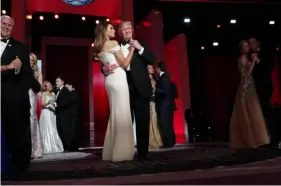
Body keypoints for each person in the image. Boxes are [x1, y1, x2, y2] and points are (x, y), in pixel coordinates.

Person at [100, 21, 155, 160]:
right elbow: (108, 61)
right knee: (125, 120)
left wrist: (140, 48)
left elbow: (152, 59)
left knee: (142, 121)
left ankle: (143, 152)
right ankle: (125, 150)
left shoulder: (140, 43)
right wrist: (104, 69)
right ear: (120, 33)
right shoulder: (115, 44)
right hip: (124, 88)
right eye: (123, 29)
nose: (126, 31)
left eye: (128, 28)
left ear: (132, 30)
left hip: (141, 87)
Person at [1, 15, 41, 172]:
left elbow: (26, 75)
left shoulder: (20, 47)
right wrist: (8, 67)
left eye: (10, 25)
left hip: (11, 97)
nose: (6, 27)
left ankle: (19, 164)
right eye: (4, 24)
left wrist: (24, 96)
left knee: (16, 132)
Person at [94, 21, 135, 161]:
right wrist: (132, 50)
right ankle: (121, 152)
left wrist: (107, 68)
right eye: (111, 28)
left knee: (115, 115)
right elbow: (124, 63)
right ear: (105, 31)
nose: (113, 30)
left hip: (109, 81)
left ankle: (110, 151)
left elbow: (105, 67)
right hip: (118, 78)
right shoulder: (112, 44)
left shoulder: (100, 47)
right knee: (122, 114)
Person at [229, 40, 270, 149]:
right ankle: (249, 140)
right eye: (244, 46)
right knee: (248, 111)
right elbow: (247, 74)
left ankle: (257, 138)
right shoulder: (242, 59)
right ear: (241, 48)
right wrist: (253, 62)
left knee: (254, 111)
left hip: (250, 85)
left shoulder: (246, 58)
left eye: (247, 45)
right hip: (245, 86)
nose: (247, 47)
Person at [249, 37, 276, 147]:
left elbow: (270, 67)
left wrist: (258, 60)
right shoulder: (250, 56)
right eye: (250, 43)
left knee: (265, 111)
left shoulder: (265, 53)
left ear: (258, 43)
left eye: (253, 42)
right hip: (254, 89)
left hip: (265, 87)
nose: (252, 45)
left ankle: (272, 137)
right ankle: (261, 138)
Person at [40, 81, 64, 154]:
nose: (50, 86)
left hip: (52, 113)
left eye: (50, 85)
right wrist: (48, 103)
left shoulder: (53, 93)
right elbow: (42, 104)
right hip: (46, 113)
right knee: (48, 128)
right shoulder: (44, 94)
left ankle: (55, 145)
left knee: (53, 128)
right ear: (45, 87)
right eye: (48, 85)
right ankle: (48, 147)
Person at [155, 62, 175, 148]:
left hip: (164, 105)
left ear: (159, 68)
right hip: (164, 104)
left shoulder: (164, 77)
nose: (155, 70)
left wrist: (154, 90)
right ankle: (170, 141)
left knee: (165, 123)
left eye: (156, 68)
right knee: (166, 123)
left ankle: (168, 143)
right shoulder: (163, 77)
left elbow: (165, 91)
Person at [29, 53, 44, 158]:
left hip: (32, 96)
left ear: (34, 61)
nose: (30, 61)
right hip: (22, 96)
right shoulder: (23, 71)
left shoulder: (38, 73)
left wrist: (33, 79)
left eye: (32, 60)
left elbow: (39, 87)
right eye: (28, 59)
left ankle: (35, 149)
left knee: (32, 119)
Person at [54, 77, 72, 152]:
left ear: (62, 82)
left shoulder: (65, 90)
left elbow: (66, 102)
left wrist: (55, 104)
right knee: (60, 131)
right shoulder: (57, 91)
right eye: (56, 81)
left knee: (65, 131)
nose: (56, 83)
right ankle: (64, 147)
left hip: (64, 115)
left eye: (58, 81)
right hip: (59, 114)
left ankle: (68, 147)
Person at [147, 64, 163, 149]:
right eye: (149, 68)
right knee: (152, 120)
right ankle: (152, 140)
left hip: (155, 101)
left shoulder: (155, 79)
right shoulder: (146, 79)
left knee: (156, 120)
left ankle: (158, 139)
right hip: (150, 102)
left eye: (152, 68)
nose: (152, 69)